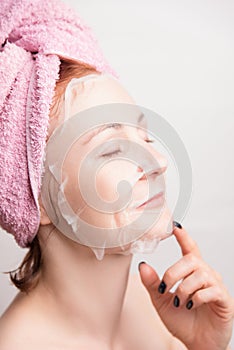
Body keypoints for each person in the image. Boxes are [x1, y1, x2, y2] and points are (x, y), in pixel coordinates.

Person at [0, 1, 233, 349]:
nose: (157, 161)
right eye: (111, 151)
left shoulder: (151, 310)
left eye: (144, 136)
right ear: (39, 200)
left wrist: (206, 346)